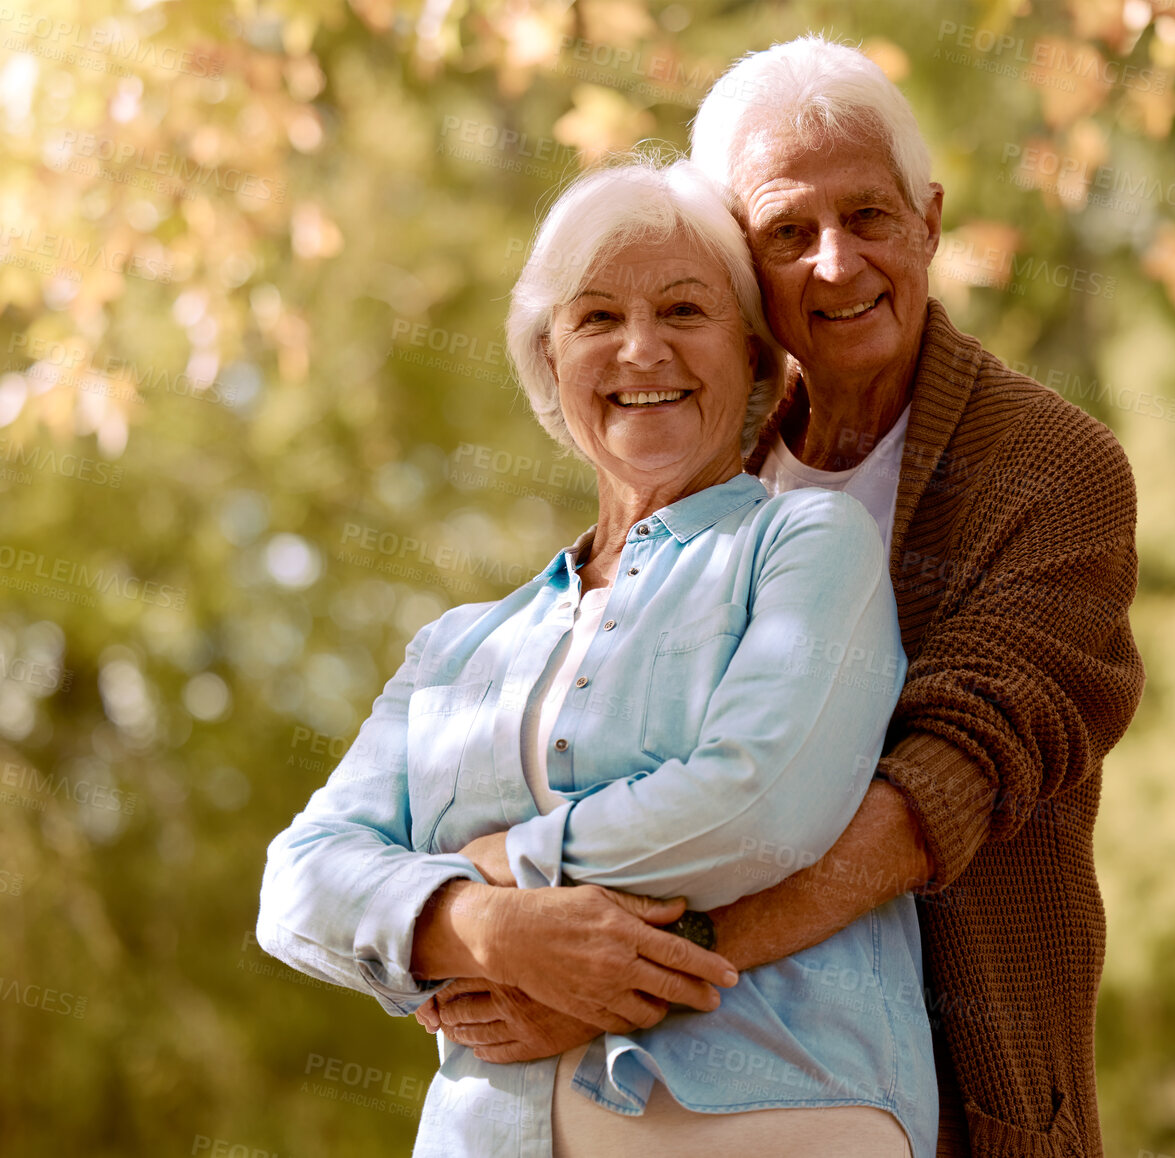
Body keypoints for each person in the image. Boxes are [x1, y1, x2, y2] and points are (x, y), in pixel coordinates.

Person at [423, 35, 1145, 1158]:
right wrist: (469, 915)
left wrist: (628, 976)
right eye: (785, 234)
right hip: (681, 1093)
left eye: (868, 218)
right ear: (736, 264)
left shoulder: (1053, 472)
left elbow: (931, 798)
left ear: (932, 222)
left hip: (952, 1088)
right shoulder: (707, 455)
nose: (835, 265)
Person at [257, 159, 936, 1155]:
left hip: (779, 1114)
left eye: (683, 310)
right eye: (596, 319)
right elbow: (299, 882)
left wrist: (506, 866)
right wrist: (485, 929)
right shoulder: (458, 647)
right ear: (550, 363)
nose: (641, 349)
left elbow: (760, 803)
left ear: (756, 359)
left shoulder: (806, 547)